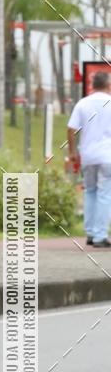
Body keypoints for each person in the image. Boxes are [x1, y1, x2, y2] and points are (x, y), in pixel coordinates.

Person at [68, 71, 111, 248]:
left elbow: (71, 129)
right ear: (108, 85)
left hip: (87, 156)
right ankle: (100, 236)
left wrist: (72, 152)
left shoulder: (82, 104)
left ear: (93, 85)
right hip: (107, 156)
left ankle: (91, 234)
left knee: (90, 191)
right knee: (105, 194)